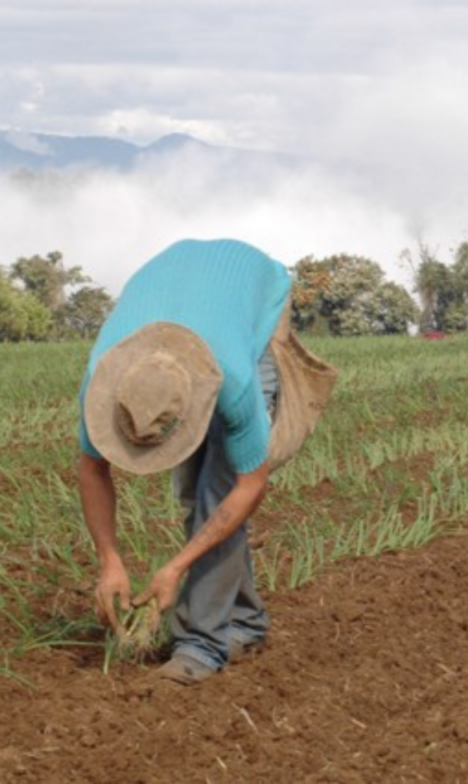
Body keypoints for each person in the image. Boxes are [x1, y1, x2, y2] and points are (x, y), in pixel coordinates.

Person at [77, 238, 291, 685]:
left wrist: (176, 568)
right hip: (181, 289)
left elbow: (249, 487)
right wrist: (109, 560)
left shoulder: (234, 378)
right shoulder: (104, 377)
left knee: (216, 493)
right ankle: (246, 622)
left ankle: (201, 645)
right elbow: (92, 468)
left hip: (250, 301)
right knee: (195, 494)